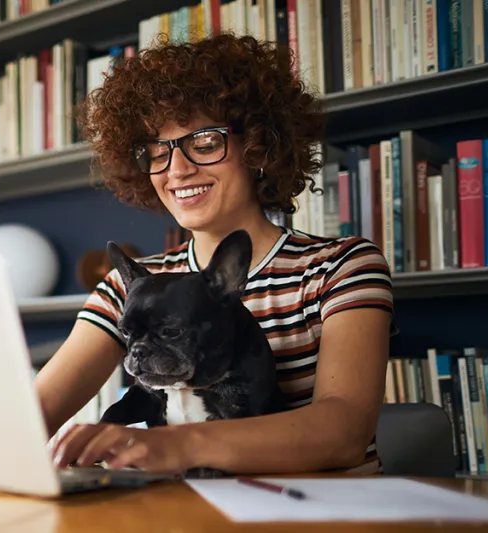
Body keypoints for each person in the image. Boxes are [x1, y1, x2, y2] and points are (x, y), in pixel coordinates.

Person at [34, 32, 395, 476]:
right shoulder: (130, 286)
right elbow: (34, 410)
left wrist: (177, 444)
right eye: (156, 152)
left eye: (204, 143)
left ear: (259, 147)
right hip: (188, 513)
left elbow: (344, 433)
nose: (178, 169)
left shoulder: (338, 267)